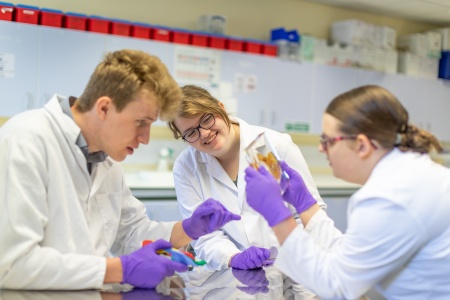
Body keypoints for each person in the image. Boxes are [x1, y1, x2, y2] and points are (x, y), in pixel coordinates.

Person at [0, 49, 240, 290]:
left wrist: (187, 229)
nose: (145, 138)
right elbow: (11, 263)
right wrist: (120, 269)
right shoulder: (26, 140)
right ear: (104, 108)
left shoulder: (106, 159)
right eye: (141, 123)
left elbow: (132, 233)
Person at [244, 85, 450, 299]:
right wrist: (306, 206)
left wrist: (277, 215)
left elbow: (339, 286)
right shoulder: (408, 172)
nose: (321, 149)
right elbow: (354, 255)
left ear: (362, 145)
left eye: (328, 141)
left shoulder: (389, 197)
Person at [167, 85, 326, 270]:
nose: (204, 133)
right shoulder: (186, 167)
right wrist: (233, 257)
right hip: (234, 279)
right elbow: (204, 235)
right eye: (191, 133)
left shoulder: (276, 145)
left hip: (294, 270)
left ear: (221, 108)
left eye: (207, 119)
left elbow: (309, 214)